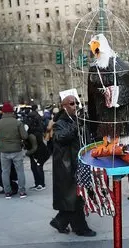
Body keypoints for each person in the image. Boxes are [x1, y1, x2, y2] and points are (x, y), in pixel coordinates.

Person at [50, 95, 96, 237]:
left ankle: (60, 221)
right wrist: (77, 125)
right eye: (71, 103)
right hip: (67, 167)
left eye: (77, 103)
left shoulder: (78, 120)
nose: (75, 105)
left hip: (80, 163)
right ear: (64, 106)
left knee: (76, 198)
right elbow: (61, 137)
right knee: (75, 198)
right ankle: (80, 228)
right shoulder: (60, 122)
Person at [0, 102, 28, 199]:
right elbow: (24, 136)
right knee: (20, 171)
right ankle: (22, 192)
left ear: (3, 112)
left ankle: (7, 192)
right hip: (16, 149)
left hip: (4, 150)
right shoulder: (18, 122)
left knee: (5, 172)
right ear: (12, 112)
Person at [25, 104, 48, 190]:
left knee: (37, 167)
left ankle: (41, 184)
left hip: (38, 151)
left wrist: (28, 152)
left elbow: (35, 145)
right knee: (35, 167)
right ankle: (38, 183)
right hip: (37, 150)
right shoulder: (38, 126)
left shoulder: (33, 130)